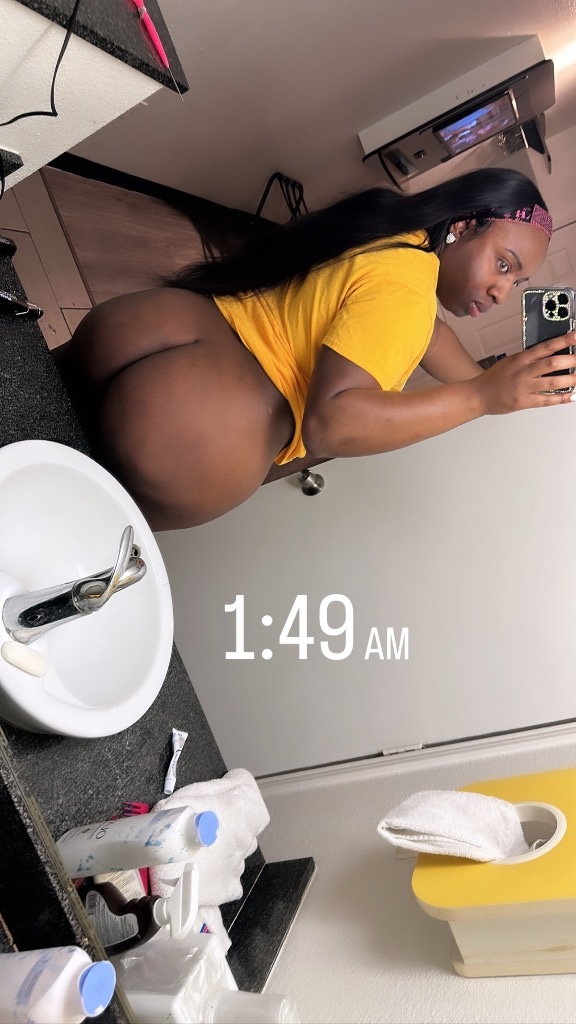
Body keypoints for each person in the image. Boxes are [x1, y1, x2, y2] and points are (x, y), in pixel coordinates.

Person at [55, 166, 575, 531]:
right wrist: (480, 399)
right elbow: (332, 422)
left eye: (517, 282)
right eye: (503, 265)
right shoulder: (409, 295)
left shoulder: (395, 231)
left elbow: (431, 337)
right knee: (55, 526)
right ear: (463, 226)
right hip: (201, 424)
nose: (502, 292)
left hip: (152, 325)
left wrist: (500, 384)